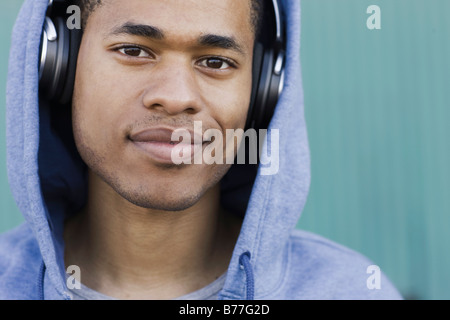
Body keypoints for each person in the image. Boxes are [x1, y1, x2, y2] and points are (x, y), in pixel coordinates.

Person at [0, 0, 402, 300]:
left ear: (264, 91)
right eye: (134, 50)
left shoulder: (351, 290)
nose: (175, 98)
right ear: (59, 66)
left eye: (215, 61)